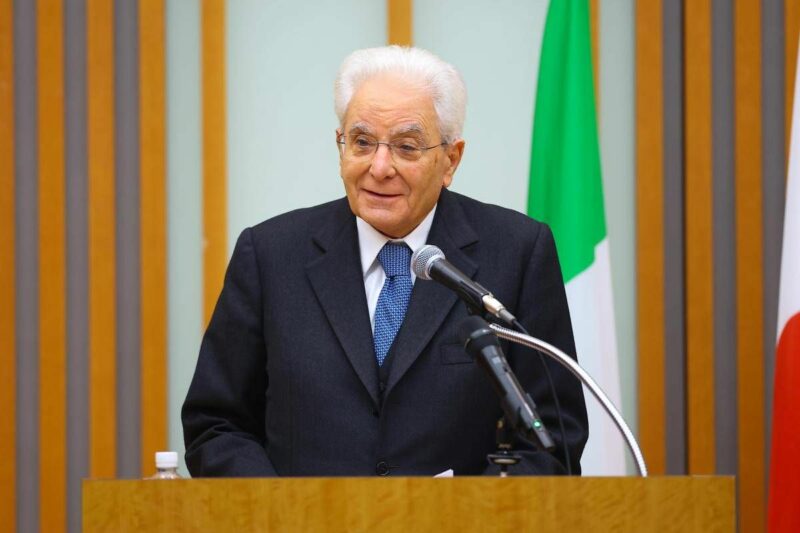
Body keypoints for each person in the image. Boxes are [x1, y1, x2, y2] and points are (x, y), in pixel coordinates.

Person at [182, 46, 588, 477]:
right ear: (340, 146)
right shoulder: (270, 255)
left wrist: (469, 510)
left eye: (406, 147)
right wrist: (284, 509)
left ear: (451, 160)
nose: (379, 167)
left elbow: (553, 437)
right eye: (361, 142)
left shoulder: (517, 252)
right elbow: (216, 426)